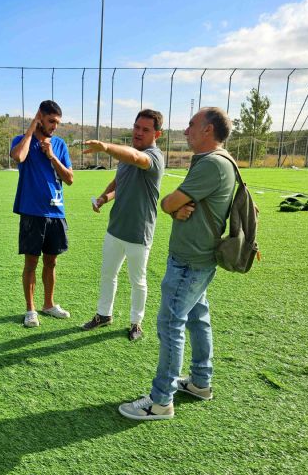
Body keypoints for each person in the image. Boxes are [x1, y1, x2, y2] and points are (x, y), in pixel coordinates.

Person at [119, 107, 236, 420]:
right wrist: (177, 206)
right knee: (198, 318)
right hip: (198, 257)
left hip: (190, 260)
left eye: (192, 125)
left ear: (208, 130)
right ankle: (200, 382)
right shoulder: (217, 161)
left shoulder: (212, 163)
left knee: (171, 324)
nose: (186, 131)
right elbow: (175, 205)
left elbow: (169, 202)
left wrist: (175, 205)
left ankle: (161, 401)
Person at [81, 109, 165, 341]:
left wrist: (106, 147)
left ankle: (136, 323)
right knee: (108, 274)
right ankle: (103, 314)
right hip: (115, 228)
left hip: (139, 232)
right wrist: (103, 198)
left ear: (158, 133)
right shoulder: (128, 155)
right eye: (137, 127)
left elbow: (137, 159)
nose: (138, 132)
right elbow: (120, 180)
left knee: (138, 281)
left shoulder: (154, 157)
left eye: (145, 129)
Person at [10, 100, 74, 328]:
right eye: (50, 121)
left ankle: (48, 304)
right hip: (32, 212)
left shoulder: (59, 145)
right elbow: (18, 157)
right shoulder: (22, 141)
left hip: (56, 212)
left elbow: (70, 179)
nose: (55, 126)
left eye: (57, 122)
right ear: (40, 118)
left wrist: (52, 157)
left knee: (51, 262)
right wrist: (31, 129)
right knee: (31, 263)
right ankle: (30, 310)